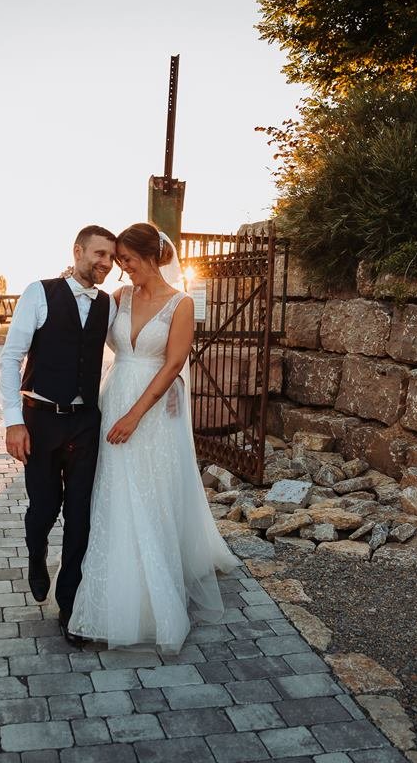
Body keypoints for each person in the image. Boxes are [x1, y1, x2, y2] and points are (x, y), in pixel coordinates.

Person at [68, 222, 240, 654]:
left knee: (149, 496)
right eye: (118, 260)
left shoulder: (180, 304)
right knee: (112, 495)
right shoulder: (120, 298)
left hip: (150, 411)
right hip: (116, 394)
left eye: (127, 260)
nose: (121, 269)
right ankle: (105, 599)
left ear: (151, 257)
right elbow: (86, 328)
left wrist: (135, 415)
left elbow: (173, 364)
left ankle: (152, 602)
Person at [0, 225, 117, 646]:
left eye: (111, 258)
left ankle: (70, 606)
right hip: (40, 420)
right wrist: (14, 421)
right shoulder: (39, 292)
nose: (105, 263)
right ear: (78, 250)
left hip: (85, 422)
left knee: (80, 516)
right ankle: (35, 553)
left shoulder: (108, 305)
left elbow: (137, 350)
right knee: (44, 509)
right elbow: (11, 358)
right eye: (99, 254)